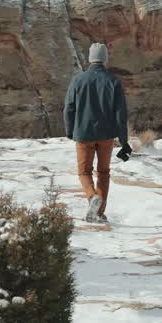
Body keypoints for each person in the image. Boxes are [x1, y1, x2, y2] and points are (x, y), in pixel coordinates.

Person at [63, 42, 131, 222]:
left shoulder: (78, 80)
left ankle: (92, 196)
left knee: (84, 172)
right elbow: (121, 113)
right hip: (106, 135)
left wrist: (70, 131)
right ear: (105, 59)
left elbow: (68, 108)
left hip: (83, 134)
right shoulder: (113, 81)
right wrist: (124, 140)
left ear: (90, 58)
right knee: (103, 173)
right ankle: (99, 213)